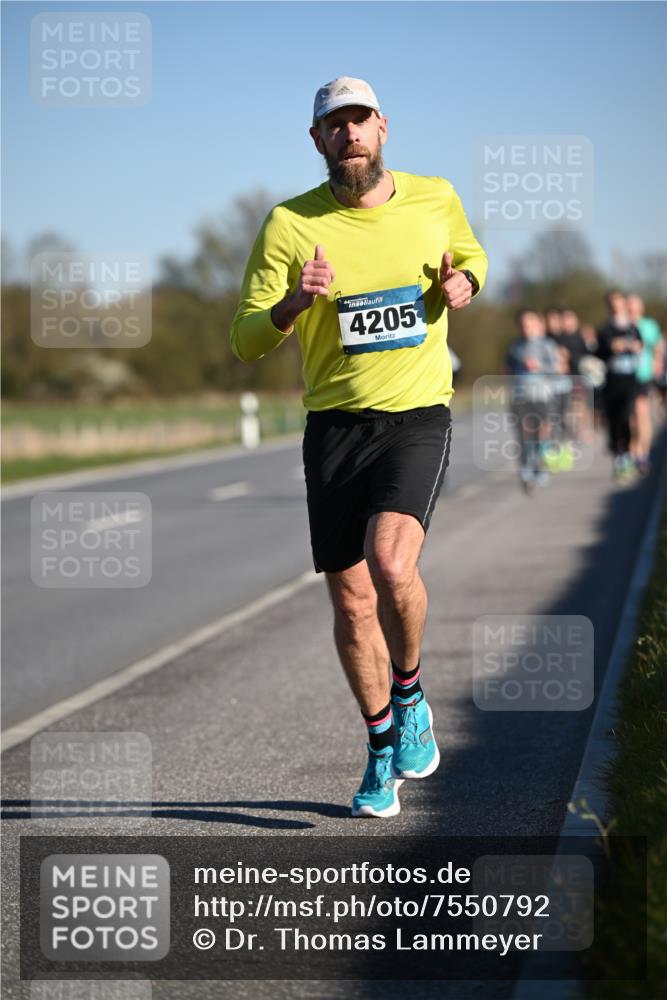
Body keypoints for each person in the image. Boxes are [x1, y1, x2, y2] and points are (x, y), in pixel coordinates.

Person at [230, 76, 488, 818]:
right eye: (332, 125)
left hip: (415, 414)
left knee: (390, 561)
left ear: (383, 127)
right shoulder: (287, 225)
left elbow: (470, 256)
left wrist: (463, 280)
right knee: (349, 603)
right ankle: (380, 749)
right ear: (316, 140)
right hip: (334, 428)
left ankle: (410, 694)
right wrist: (292, 303)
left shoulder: (434, 198)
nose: (348, 135)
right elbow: (245, 339)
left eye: (359, 120)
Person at [506, 310, 561, 491]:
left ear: (539, 325)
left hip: (541, 395)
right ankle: (525, 469)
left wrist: (539, 366)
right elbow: (508, 369)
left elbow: (556, 369)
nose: (526, 327)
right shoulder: (515, 347)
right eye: (523, 323)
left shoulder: (547, 345)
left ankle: (539, 466)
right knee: (523, 433)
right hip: (520, 395)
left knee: (542, 431)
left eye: (530, 323)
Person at [595, 291, 643, 482]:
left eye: (619, 303)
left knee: (627, 416)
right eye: (612, 304)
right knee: (614, 420)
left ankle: (628, 453)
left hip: (630, 380)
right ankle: (619, 455)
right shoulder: (605, 330)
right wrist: (612, 347)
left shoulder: (632, 328)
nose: (616, 307)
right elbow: (600, 353)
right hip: (612, 381)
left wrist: (632, 346)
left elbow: (640, 346)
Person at [626, 293, 663, 475]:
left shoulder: (649, 326)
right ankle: (633, 452)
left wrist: (657, 366)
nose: (632, 308)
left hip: (643, 375)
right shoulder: (623, 326)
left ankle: (643, 453)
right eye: (629, 304)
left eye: (635, 304)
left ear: (641, 307)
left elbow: (657, 348)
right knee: (631, 418)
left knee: (642, 412)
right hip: (625, 378)